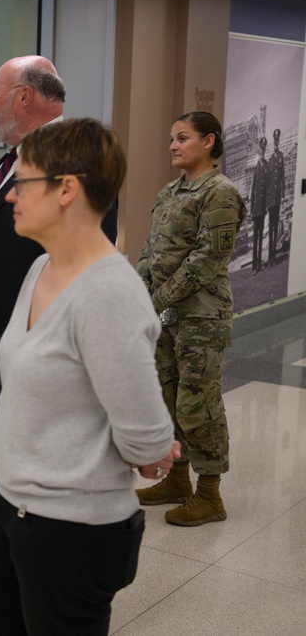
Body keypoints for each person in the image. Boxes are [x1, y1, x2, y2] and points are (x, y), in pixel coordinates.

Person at [0, 117, 177, 635]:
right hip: (15, 506)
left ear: (67, 189)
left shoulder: (108, 293)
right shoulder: (41, 269)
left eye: (22, 182)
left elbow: (149, 439)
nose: (11, 196)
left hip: (72, 527)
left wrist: (151, 451)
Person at [0, 55, 118, 618]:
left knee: (22, 488)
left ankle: (22, 598)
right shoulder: (10, 164)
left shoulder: (69, 164)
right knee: (5, 481)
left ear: (23, 98)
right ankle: (5, 589)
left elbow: (76, 268)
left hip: (31, 364)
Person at [135, 111, 246, 527]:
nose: (173, 145)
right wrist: (139, 291)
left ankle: (210, 495)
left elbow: (207, 259)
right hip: (167, 316)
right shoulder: (170, 191)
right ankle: (178, 480)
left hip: (202, 316)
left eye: (182, 137)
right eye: (171, 138)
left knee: (197, 404)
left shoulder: (220, 193)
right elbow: (151, 250)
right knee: (169, 398)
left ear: (209, 141)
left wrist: (158, 297)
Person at [249, 136, 268, 273]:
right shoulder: (256, 166)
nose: (262, 151)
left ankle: (259, 263)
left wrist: (266, 205)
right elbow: (252, 187)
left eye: (264, 148)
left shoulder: (266, 165)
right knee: (255, 237)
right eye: (261, 148)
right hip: (256, 207)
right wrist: (250, 209)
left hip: (262, 206)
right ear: (259, 150)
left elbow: (266, 188)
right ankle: (254, 265)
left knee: (260, 235)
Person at [267, 127, 284, 267]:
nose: (277, 142)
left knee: (275, 227)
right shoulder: (271, 159)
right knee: (271, 226)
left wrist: (283, 196)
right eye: (275, 140)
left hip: (278, 199)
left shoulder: (281, 157)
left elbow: (282, 178)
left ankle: (273, 256)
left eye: (278, 139)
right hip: (270, 200)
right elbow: (268, 182)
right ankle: (270, 257)